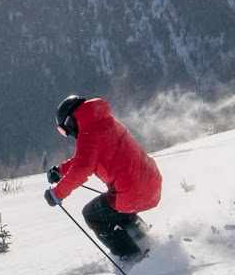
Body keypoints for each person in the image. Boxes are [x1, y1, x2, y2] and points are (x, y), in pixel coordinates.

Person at [44, 94, 161, 265]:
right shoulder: (102, 120)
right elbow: (86, 157)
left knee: (93, 213)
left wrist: (57, 194)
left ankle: (132, 260)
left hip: (133, 190)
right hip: (150, 182)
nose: (68, 134)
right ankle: (145, 241)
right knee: (115, 209)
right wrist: (60, 170)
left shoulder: (89, 131)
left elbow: (82, 167)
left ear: (71, 120)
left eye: (64, 129)